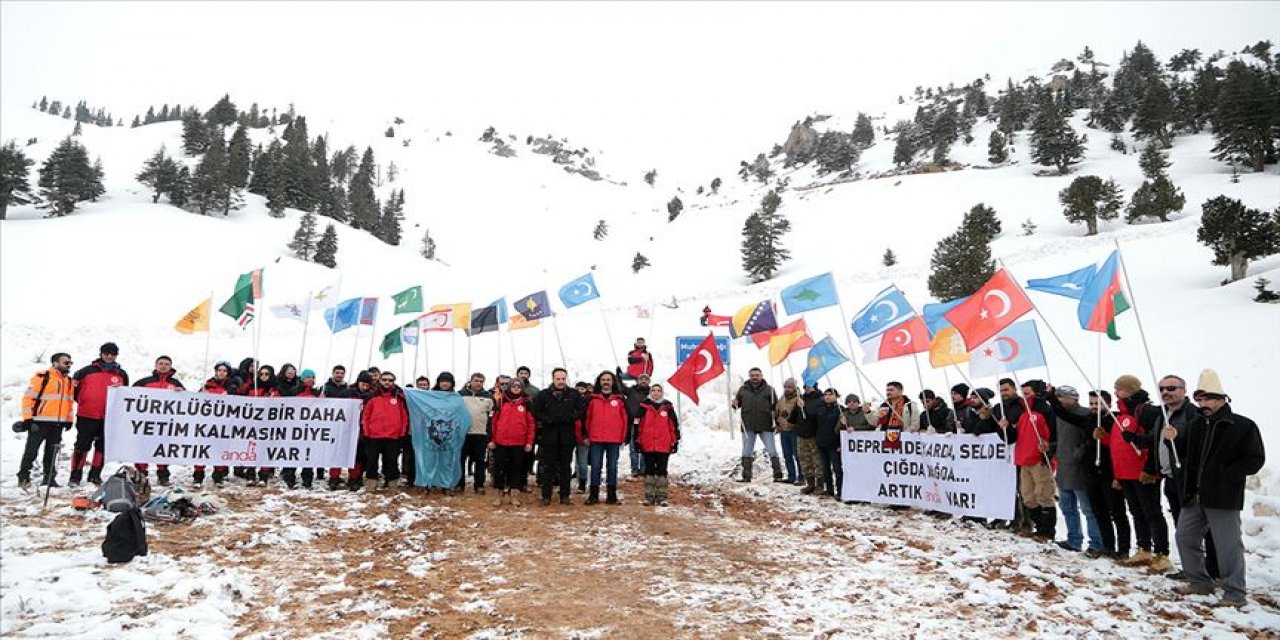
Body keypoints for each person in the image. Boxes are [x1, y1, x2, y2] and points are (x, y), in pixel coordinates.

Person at [1168, 370, 1266, 608]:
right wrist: (1171, 439)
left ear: (1222, 399)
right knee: (1185, 537)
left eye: (1208, 399)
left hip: (1223, 496)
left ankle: (1235, 592)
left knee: (1228, 546)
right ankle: (1199, 582)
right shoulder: (1195, 425)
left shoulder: (1242, 425)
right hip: (1194, 495)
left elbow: (1255, 459)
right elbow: (1184, 455)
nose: (1203, 404)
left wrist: (1226, 474)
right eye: (1200, 400)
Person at [1100, 374, 1171, 572]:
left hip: (1143, 473)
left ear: (1130, 390)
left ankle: (1162, 553)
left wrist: (1150, 469)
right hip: (1125, 473)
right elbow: (1121, 445)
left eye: (1119, 388)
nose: (1115, 392)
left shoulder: (1145, 410)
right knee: (1137, 512)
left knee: (1152, 513)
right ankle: (1144, 549)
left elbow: (1154, 440)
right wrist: (1105, 438)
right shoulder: (1121, 415)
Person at [1155, 374, 1218, 580]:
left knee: (1200, 528)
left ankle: (1211, 569)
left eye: (1172, 388)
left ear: (1183, 390)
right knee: (1181, 527)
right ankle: (1191, 568)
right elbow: (1156, 440)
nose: (1166, 392)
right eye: (1162, 388)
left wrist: (1178, 438)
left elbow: (1196, 445)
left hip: (1187, 479)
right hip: (1170, 477)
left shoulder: (1192, 413)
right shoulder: (1164, 413)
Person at [1046, 385, 1105, 554]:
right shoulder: (1059, 416)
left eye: (1062, 397)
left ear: (1073, 397)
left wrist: (1077, 455)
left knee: (1088, 509)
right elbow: (1062, 441)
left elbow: (1091, 441)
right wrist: (1050, 448)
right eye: (1057, 397)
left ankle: (1096, 543)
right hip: (1064, 468)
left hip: (1080, 469)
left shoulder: (1085, 414)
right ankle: (1074, 539)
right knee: (1067, 507)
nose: (1059, 400)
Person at [997, 378, 1057, 542]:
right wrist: (1006, 427)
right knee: (1028, 496)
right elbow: (1013, 437)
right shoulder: (1023, 414)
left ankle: (1047, 531)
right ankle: (1039, 526)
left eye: (1027, 393)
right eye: (1023, 393)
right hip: (1024, 459)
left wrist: (1049, 450)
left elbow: (1053, 433)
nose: (1024, 396)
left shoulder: (1044, 411)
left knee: (1044, 495)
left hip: (1039, 459)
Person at [69, 342, 129, 486]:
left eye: (112, 354)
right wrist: (86, 402)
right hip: (87, 416)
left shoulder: (121, 374)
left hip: (109, 418)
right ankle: (75, 476)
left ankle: (95, 475)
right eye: (106, 353)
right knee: (82, 446)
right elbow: (73, 392)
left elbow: (125, 394)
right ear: (101, 354)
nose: (109, 356)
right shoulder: (86, 371)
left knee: (102, 447)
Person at [17, 352, 74, 489]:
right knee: (31, 451)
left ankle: (49, 479)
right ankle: (23, 477)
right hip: (39, 422)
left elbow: (69, 403)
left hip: (57, 424)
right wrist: (28, 419)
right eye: (65, 362)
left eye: (70, 363)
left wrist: (69, 420)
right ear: (55, 363)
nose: (68, 365)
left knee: (52, 453)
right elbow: (28, 398)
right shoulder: (43, 377)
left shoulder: (68, 381)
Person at [1087, 390, 1131, 560]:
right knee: (1100, 512)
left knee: (1118, 513)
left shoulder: (1115, 420)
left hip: (1111, 473)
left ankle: (1124, 548)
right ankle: (1108, 545)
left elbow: (1119, 448)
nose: (1094, 407)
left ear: (1108, 404)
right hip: (1092, 473)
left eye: (1097, 403)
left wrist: (1117, 475)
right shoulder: (1089, 420)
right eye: (1091, 403)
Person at [532, 369, 584, 506]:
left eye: (563, 379)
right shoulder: (543, 394)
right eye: (558, 379)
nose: (560, 382)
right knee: (548, 467)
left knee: (565, 467)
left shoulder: (573, 394)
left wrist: (570, 417)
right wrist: (548, 419)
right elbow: (537, 412)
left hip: (567, 436)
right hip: (549, 436)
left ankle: (565, 495)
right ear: (553, 379)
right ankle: (546, 496)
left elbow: (581, 410)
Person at [132, 356, 185, 486]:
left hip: (166, 425)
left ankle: (163, 476)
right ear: (155, 366)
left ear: (170, 367)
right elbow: (128, 396)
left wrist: (182, 393)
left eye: (166, 364)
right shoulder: (143, 382)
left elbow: (186, 404)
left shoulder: (176, 384)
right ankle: (141, 475)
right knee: (142, 450)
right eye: (160, 363)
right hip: (145, 424)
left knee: (163, 450)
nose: (163, 366)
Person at [584, 370, 629, 505]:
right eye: (603, 379)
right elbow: (586, 418)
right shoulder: (592, 399)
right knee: (596, 466)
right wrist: (585, 435)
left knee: (612, 467)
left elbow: (625, 419)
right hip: (596, 439)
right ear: (599, 382)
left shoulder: (620, 399)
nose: (606, 382)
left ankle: (611, 496)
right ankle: (593, 495)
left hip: (614, 439)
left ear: (613, 382)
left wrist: (624, 437)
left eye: (608, 380)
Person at [489, 378, 535, 506]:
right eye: (513, 386)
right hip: (500, 441)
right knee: (499, 469)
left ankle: (514, 494)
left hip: (519, 443)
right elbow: (493, 422)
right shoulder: (501, 401)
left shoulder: (526, 403)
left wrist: (529, 442)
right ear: (509, 387)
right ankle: (498, 495)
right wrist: (491, 439)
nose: (516, 389)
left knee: (516, 469)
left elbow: (531, 424)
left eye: (518, 387)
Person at [362, 372, 410, 489]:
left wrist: (402, 433)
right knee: (372, 461)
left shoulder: (399, 397)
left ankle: (392, 483)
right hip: (374, 436)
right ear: (380, 381)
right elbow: (366, 416)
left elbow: (404, 417)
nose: (387, 382)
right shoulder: (372, 396)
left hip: (393, 436)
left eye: (390, 380)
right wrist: (367, 432)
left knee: (391, 461)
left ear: (393, 382)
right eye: (384, 380)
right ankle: (371, 484)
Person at [733, 368, 781, 483]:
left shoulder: (770, 390)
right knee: (746, 451)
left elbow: (776, 408)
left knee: (772, 450)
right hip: (748, 425)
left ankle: (778, 475)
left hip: (766, 424)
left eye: (757, 375)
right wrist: (734, 404)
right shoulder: (742, 390)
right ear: (749, 376)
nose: (755, 377)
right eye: (752, 375)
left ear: (761, 375)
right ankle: (746, 476)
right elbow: (736, 405)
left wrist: (777, 423)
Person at [330, 371, 375, 491]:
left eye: (367, 385)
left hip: (361, 430)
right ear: (358, 382)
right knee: (339, 453)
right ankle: (334, 477)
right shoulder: (347, 393)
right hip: (345, 428)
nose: (364, 387)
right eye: (363, 384)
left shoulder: (371, 396)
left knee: (357, 455)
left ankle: (354, 478)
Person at [635, 383, 679, 506]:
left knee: (662, 470)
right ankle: (649, 496)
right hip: (648, 444)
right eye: (653, 390)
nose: (656, 393)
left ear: (662, 392)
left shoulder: (667, 407)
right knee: (649, 470)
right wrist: (637, 441)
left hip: (663, 444)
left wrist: (675, 441)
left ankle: (662, 496)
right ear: (650, 392)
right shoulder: (644, 406)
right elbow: (638, 425)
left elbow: (673, 426)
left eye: (658, 390)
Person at [195, 361, 237, 486]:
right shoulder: (207, 386)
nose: (222, 373)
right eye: (219, 370)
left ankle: (218, 477)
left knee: (220, 451)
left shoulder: (233, 387)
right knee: (201, 451)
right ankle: (198, 477)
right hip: (207, 425)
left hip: (225, 425)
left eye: (224, 371)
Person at [458, 373, 494, 495]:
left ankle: (479, 485)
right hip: (463, 434)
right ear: (471, 381)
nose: (478, 383)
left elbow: (493, 417)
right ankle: (459, 484)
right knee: (461, 460)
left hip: (480, 434)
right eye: (476, 381)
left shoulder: (489, 397)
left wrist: (490, 435)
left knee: (480, 461)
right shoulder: (460, 395)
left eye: (481, 381)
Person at [245, 365, 281, 486]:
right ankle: (250, 475)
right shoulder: (252, 389)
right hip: (253, 425)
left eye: (267, 374)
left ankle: (263, 477)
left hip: (269, 426)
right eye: (261, 374)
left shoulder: (275, 390)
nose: (264, 377)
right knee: (252, 449)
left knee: (265, 451)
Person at [814, 388, 848, 499]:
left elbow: (843, 428)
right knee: (825, 468)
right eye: (826, 395)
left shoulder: (841, 410)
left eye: (830, 394)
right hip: (821, 442)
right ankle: (829, 489)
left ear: (836, 396)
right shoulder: (819, 409)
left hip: (834, 444)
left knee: (837, 468)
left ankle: (840, 490)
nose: (827, 397)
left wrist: (844, 424)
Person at [791, 385, 823, 495]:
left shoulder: (820, 400)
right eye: (805, 387)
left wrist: (804, 408)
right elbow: (793, 418)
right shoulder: (801, 398)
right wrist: (796, 407)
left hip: (814, 434)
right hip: (801, 434)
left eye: (809, 386)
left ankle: (820, 485)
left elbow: (816, 416)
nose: (807, 389)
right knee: (805, 460)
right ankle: (810, 483)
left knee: (817, 461)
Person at [620, 372, 651, 477]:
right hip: (633, 422)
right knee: (633, 446)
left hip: (646, 423)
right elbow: (620, 387)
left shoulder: (652, 393)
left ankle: (643, 468)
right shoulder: (631, 390)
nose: (643, 381)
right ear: (637, 381)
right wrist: (618, 376)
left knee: (644, 446)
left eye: (645, 379)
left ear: (649, 382)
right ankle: (634, 468)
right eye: (641, 379)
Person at [774, 379, 803, 484]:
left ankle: (801, 477)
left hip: (794, 430)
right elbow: (777, 411)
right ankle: (791, 476)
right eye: (785, 387)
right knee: (787, 454)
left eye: (789, 387)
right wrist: (777, 422)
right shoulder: (782, 398)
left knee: (798, 455)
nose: (787, 389)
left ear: (794, 387)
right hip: (783, 430)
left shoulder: (799, 398)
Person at [572, 380, 592, 493]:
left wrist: (586, 436)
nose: (579, 391)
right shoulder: (570, 400)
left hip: (583, 435)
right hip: (571, 435)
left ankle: (583, 484)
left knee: (582, 461)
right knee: (572, 460)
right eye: (577, 389)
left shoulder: (589, 402)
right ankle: (576, 476)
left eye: (582, 389)